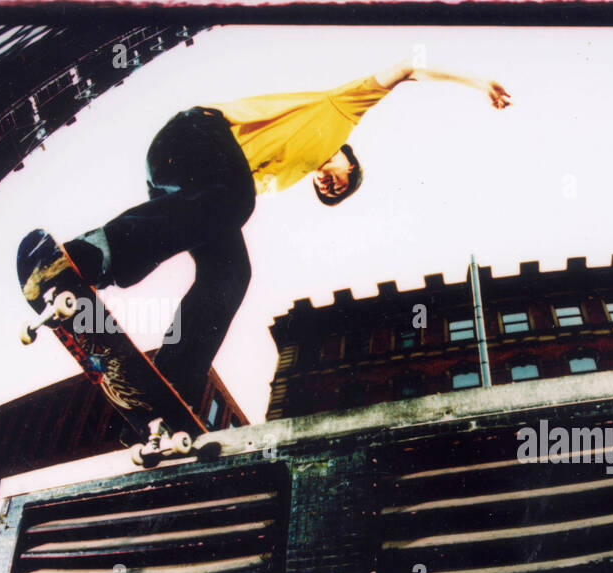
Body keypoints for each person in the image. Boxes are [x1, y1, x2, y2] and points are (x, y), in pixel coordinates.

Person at [26, 58, 511, 403]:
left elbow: (205, 209)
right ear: (347, 157)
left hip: (187, 184)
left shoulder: (281, 175)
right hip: (193, 137)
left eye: (331, 193)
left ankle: (174, 382)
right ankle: (86, 257)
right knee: (235, 202)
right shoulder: (342, 112)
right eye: (338, 180)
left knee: (231, 272)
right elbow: (408, 67)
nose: (328, 184)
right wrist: (477, 81)